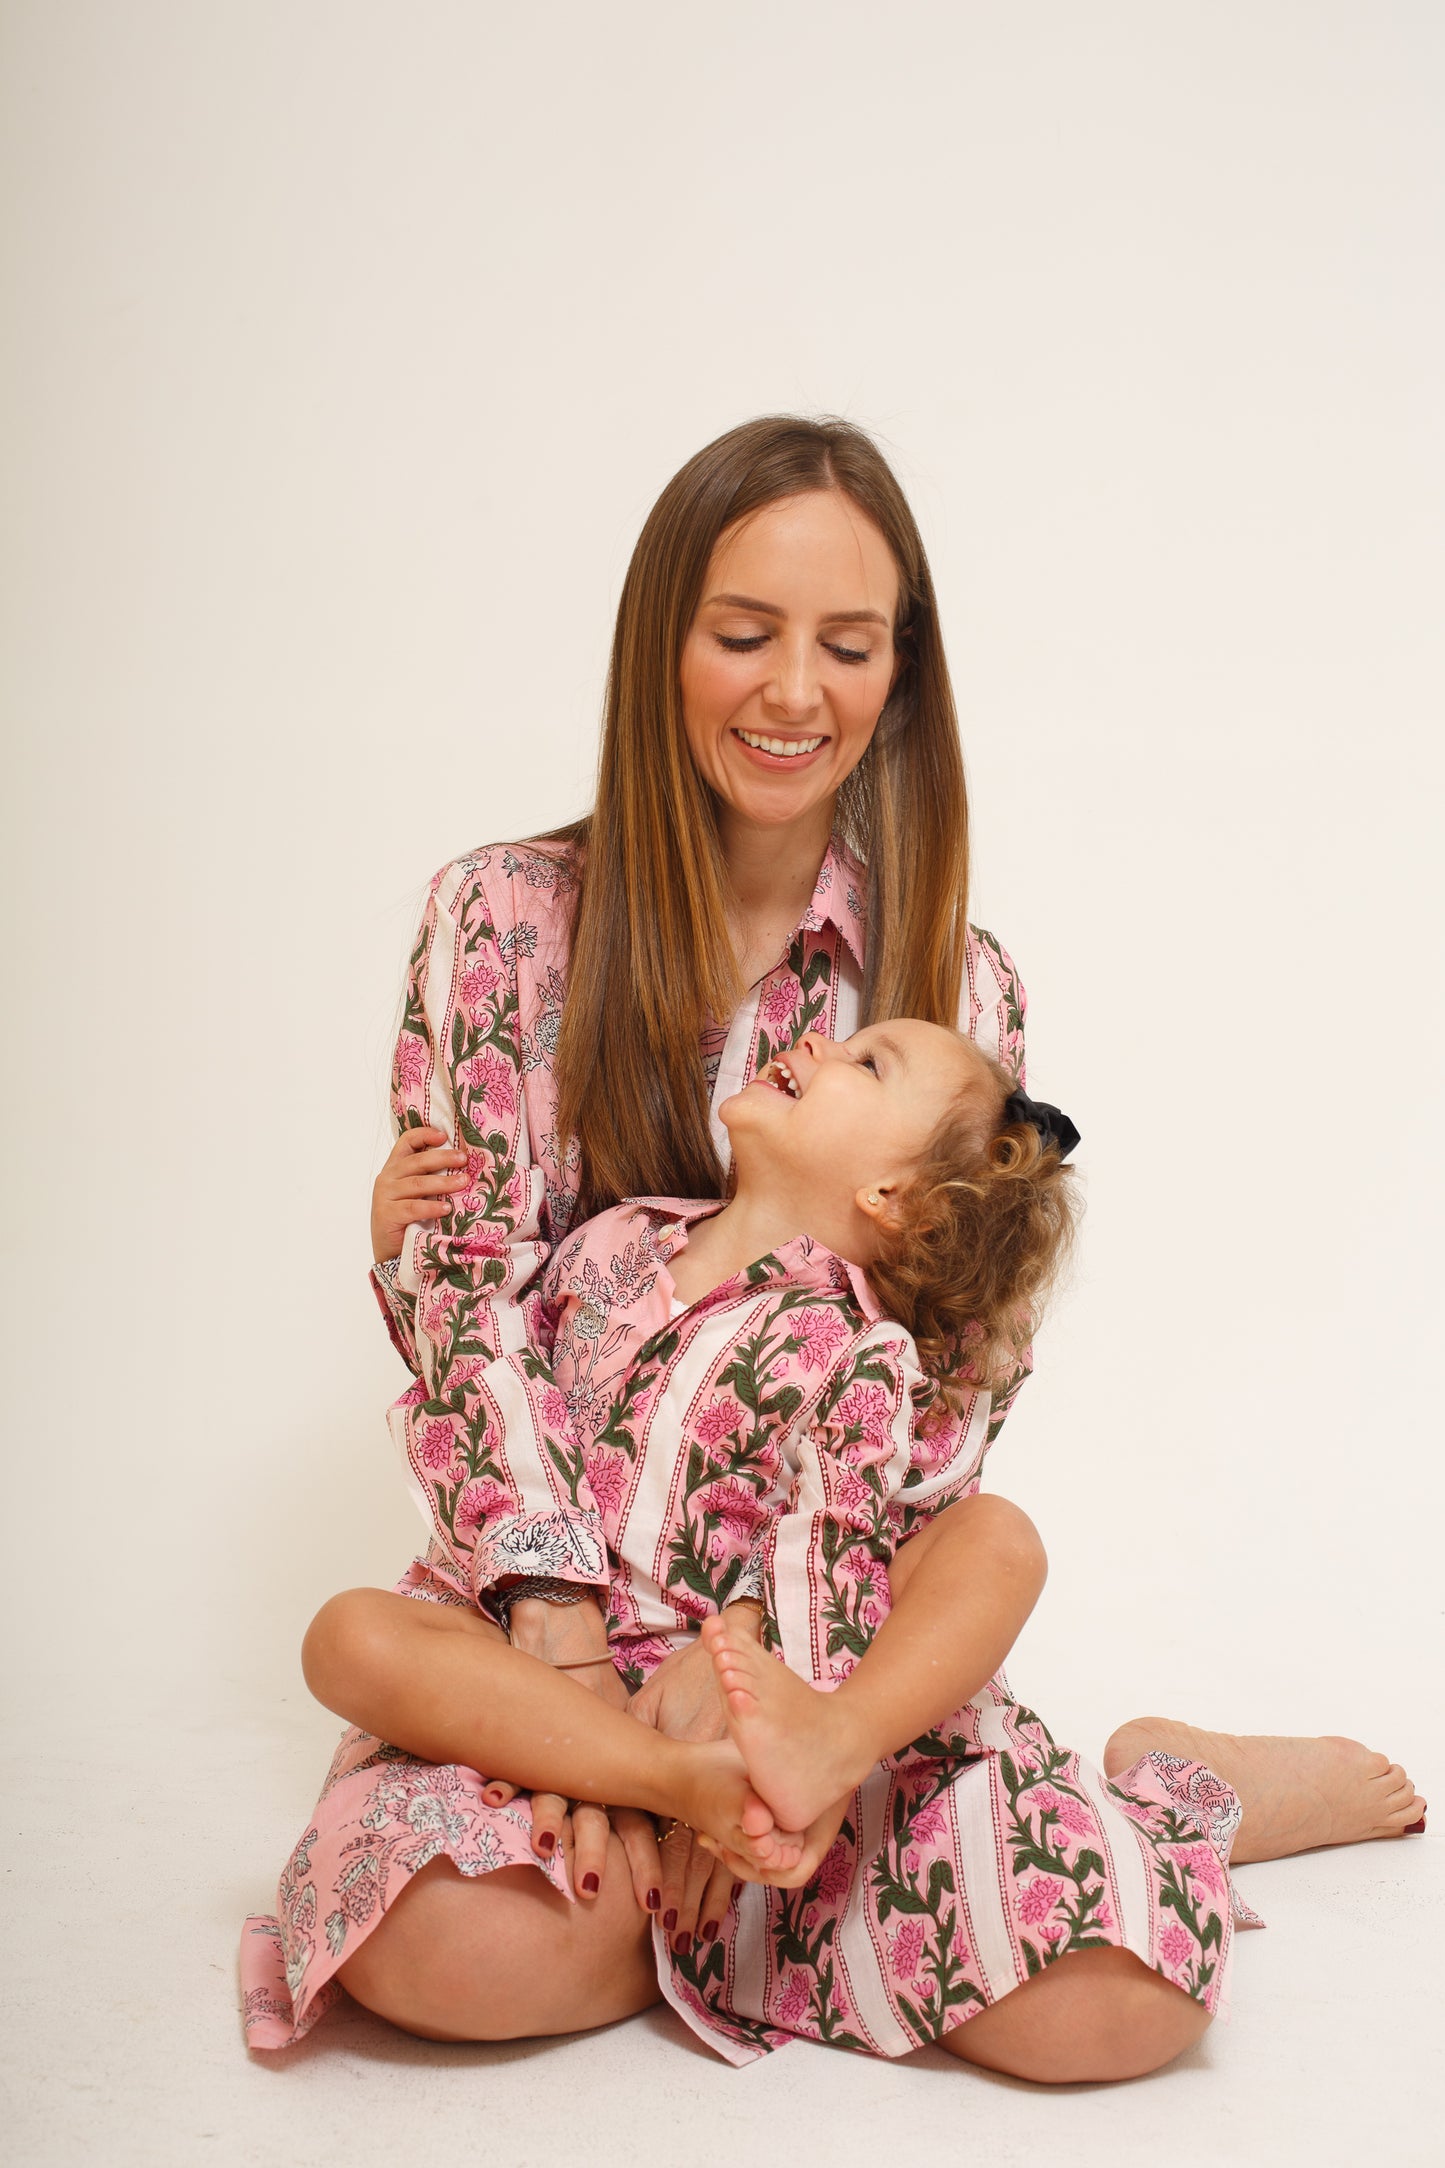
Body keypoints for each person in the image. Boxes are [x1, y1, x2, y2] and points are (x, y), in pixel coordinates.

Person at [239, 414, 1424, 2083]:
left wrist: (792, 1719)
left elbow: (956, 1398)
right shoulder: (502, 916)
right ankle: (683, 1859)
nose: (794, 689)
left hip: (824, 1655)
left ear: (901, 674)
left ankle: (1168, 1784)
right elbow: (467, 1300)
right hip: (556, 1631)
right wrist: (586, 1672)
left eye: (846, 645)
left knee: (1116, 2008)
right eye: (744, 633)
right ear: (666, 644)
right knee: (455, 1948)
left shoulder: (962, 989)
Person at [291, 1016, 1257, 2070]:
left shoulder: (858, 1346)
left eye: (866, 1062)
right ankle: (667, 1829)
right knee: (353, 1645)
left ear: (891, 1197)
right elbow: (484, 1388)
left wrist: (765, 1716)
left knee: (1121, 2007)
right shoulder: (610, 1241)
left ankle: (1158, 1789)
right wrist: (405, 1254)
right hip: (535, 1701)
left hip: (733, 1732)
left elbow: (829, 1546)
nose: (813, 1041)